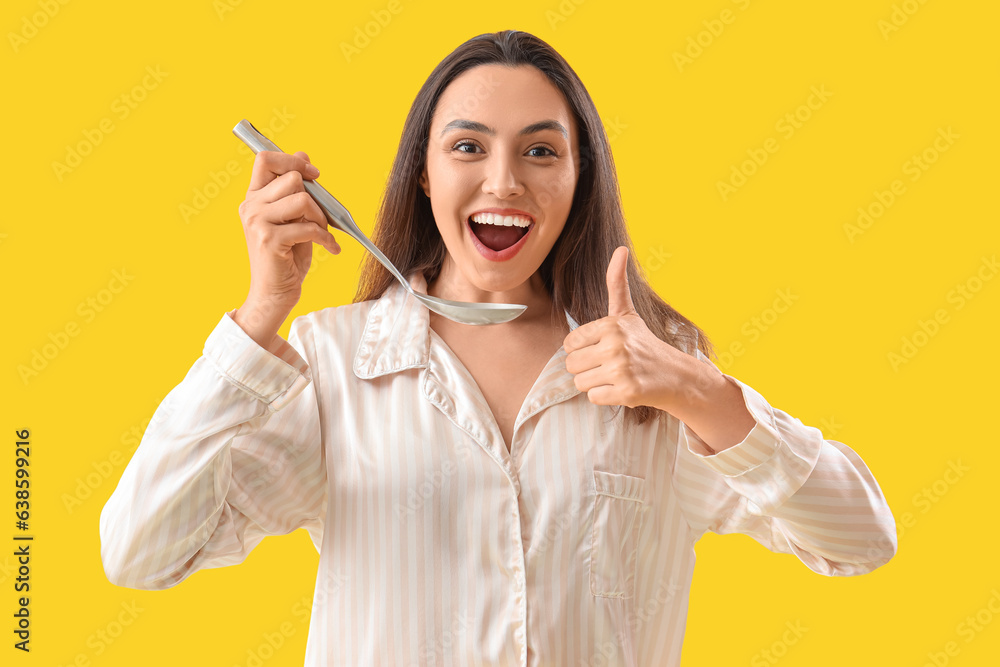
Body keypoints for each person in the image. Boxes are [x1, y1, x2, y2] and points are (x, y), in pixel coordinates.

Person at [100, 30, 896, 666]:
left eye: (542, 150)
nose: (505, 182)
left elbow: (861, 539)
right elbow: (139, 549)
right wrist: (261, 313)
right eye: (468, 147)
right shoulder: (333, 365)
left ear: (583, 180)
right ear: (422, 175)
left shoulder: (656, 371)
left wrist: (702, 392)